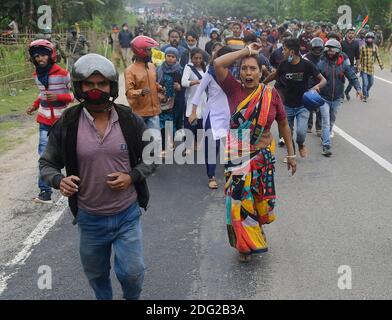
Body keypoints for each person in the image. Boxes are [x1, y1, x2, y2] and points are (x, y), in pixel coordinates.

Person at [39, 53, 155, 300]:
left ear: (111, 86)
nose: (95, 89)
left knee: (132, 274)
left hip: (127, 214)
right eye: (89, 84)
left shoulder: (129, 120)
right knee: (96, 274)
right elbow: (47, 163)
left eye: (101, 83)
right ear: (79, 86)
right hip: (89, 219)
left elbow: (151, 157)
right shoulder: (68, 123)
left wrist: (132, 176)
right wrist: (59, 181)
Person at [214, 42, 296, 262]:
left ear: (262, 73)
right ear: (239, 72)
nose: (248, 72)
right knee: (239, 202)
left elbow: (284, 124)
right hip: (237, 153)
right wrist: (247, 52)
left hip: (262, 156)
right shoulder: (233, 89)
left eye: (253, 69)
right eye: (244, 68)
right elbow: (218, 63)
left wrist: (291, 153)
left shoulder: (271, 95)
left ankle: (255, 229)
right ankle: (244, 245)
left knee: (260, 200)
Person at [26, 40, 74, 204]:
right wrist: (34, 105)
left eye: (43, 55)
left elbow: (73, 96)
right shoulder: (38, 75)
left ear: (51, 55)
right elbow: (42, 94)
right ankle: (45, 192)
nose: (40, 58)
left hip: (63, 120)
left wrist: (59, 97)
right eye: (36, 56)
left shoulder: (63, 74)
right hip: (45, 120)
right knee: (44, 156)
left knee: (70, 153)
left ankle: (74, 184)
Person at [263, 38, 326, 159]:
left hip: (303, 106)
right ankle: (291, 155)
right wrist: (261, 84)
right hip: (286, 106)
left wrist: (316, 87)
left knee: (301, 133)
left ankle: (301, 144)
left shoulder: (307, 65)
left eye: (284, 49)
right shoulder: (284, 64)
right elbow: (274, 75)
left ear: (291, 52)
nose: (282, 52)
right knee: (288, 134)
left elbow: (323, 80)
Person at [189, 44, 231, 189]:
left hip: (230, 114)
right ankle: (211, 175)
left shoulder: (235, 73)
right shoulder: (211, 72)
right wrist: (193, 111)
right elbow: (198, 91)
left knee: (229, 146)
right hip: (213, 114)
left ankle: (230, 173)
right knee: (212, 146)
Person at [317, 39, 363, 156]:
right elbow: (313, 78)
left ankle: (325, 134)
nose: (330, 52)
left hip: (337, 98)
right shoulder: (321, 63)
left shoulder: (343, 65)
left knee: (332, 119)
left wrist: (358, 89)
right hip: (323, 97)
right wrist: (312, 90)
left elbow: (352, 77)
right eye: (328, 49)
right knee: (326, 121)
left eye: (333, 49)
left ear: (338, 51)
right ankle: (326, 145)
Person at [125, 36, 162, 131]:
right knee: (139, 143)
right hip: (139, 114)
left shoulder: (152, 66)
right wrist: (140, 92)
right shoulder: (130, 70)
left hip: (154, 113)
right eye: (149, 50)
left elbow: (153, 83)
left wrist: (159, 87)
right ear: (141, 51)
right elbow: (129, 92)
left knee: (155, 141)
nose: (151, 52)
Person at [156, 47, 183, 156]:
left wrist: (179, 87)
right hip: (161, 99)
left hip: (174, 101)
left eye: (173, 57)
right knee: (161, 122)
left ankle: (175, 144)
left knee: (171, 123)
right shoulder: (159, 68)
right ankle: (163, 146)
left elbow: (183, 86)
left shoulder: (179, 70)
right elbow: (155, 81)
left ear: (176, 58)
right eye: (169, 56)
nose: (171, 59)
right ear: (165, 56)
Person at [182, 48, 207, 154]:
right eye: (195, 58)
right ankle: (188, 146)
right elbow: (184, 82)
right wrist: (197, 82)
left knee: (200, 124)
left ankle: (197, 144)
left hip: (203, 100)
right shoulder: (188, 67)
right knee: (190, 123)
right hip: (192, 100)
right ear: (191, 58)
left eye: (200, 58)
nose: (198, 60)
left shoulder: (205, 68)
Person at [304, 37, 324, 137]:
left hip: (321, 84)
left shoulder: (324, 57)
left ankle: (319, 127)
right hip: (309, 83)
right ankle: (309, 124)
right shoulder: (306, 58)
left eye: (319, 49)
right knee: (310, 105)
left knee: (320, 105)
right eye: (315, 48)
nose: (317, 50)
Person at [359, 32, 384, 102]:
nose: (370, 40)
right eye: (368, 38)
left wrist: (381, 64)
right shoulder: (362, 47)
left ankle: (366, 91)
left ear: (373, 39)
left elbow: (378, 56)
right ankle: (364, 96)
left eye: (371, 38)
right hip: (364, 68)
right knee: (365, 83)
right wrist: (358, 66)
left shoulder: (375, 47)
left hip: (371, 68)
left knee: (371, 83)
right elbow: (360, 58)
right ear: (366, 39)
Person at [342, 25, 361, 101]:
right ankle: (341, 96)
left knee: (352, 82)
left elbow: (357, 56)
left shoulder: (356, 43)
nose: (351, 34)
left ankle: (346, 92)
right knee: (341, 82)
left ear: (354, 34)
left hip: (351, 66)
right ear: (346, 34)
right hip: (341, 65)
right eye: (349, 33)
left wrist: (358, 65)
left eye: (352, 33)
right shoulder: (342, 43)